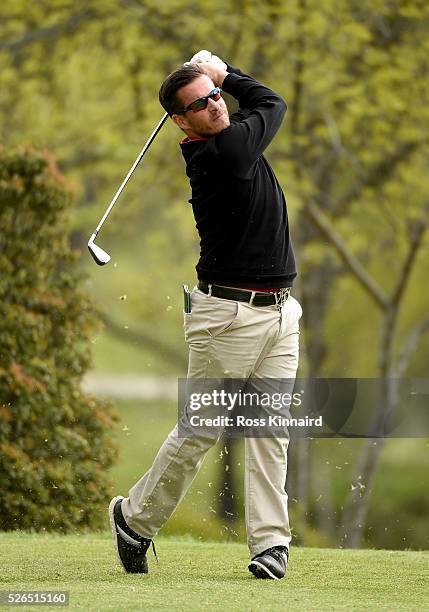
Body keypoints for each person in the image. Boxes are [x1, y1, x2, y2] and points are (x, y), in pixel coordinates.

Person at [109, 51, 302, 581]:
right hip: (227, 318)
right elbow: (273, 101)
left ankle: (270, 545)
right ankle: (134, 520)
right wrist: (227, 73)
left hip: (281, 314)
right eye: (202, 101)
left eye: (216, 96)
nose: (216, 105)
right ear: (180, 120)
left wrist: (217, 80)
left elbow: (258, 108)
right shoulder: (221, 154)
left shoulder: (232, 134)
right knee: (201, 430)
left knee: (271, 429)